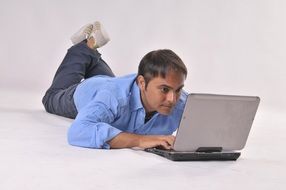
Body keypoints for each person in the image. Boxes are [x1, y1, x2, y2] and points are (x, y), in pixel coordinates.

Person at [42, 21, 188, 150]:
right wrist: (141, 140)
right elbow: (78, 131)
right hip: (86, 91)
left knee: (109, 85)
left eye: (178, 89)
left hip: (111, 83)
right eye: (164, 89)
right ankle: (85, 47)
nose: (172, 99)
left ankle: (91, 52)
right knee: (50, 99)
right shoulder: (114, 98)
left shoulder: (183, 104)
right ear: (142, 83)